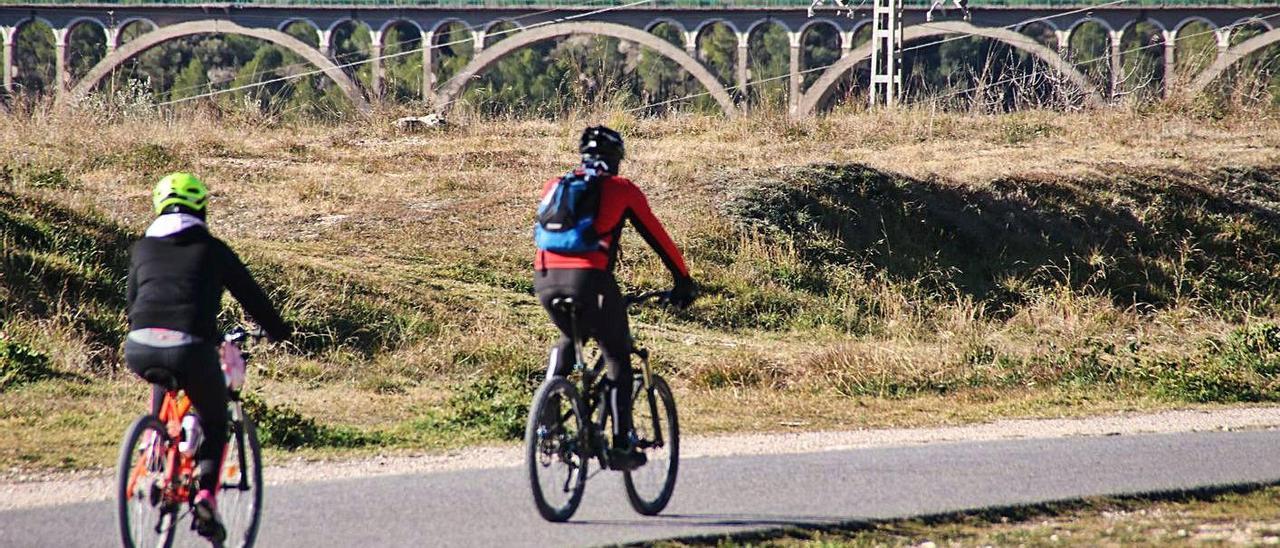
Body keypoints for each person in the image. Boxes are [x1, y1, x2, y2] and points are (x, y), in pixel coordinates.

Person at [124, 173, 291, 542]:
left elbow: (133, 303)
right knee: (216, 421)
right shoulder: (212, 250)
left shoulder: (141, 249)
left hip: (138, 346)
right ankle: (203, 495)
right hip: (190, 347)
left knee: (162, 380)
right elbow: (252, 298)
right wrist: (281, 331)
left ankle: (157, 442)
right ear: (202, 208)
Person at [533, 126, 697, 471]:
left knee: (570, 336)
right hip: (589, 280)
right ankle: (622, 442)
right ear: (617, 159)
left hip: (545, 279)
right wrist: (683, 281)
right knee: (617, 353)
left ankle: (547, 418)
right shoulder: (620, 189)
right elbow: (659, 239)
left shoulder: (556, 185)